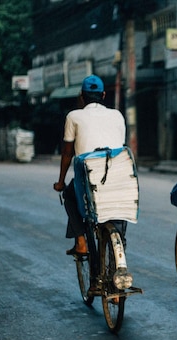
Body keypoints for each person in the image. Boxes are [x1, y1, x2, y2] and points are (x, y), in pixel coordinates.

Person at [53, 75, 126, 256]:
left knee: (70, 195)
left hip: (89, 178)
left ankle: (81, 242)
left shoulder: (73, 116)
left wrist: (60, 182)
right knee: (118, 210)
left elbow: (67, 152)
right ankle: (119, 250)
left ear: (81, 96)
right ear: (103, 95)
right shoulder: (117, 115)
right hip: (117, 176)